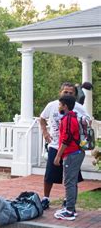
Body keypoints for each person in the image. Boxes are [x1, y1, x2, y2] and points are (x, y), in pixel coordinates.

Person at [40, 82, 90, 210]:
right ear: (60, 92)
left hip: (72, 149)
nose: (68, 94)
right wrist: (45, 132)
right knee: (50, 174)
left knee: (71, 177)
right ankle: (46, 198)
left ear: (74, 94)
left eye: (71, 92)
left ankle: (68, 201)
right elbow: (42, 118)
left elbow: (88, 121)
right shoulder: (52, 105)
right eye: (65, 92)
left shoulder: (77, 108)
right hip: (55, 145)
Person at [53, 95, 85, 221]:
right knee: (72, 181)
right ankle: (71, 208)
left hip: (71, 154)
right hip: (76, 153)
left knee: (68, 182)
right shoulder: (73, 117)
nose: (59, 107)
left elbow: (66, 139)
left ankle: (69, 211)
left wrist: (58, 156)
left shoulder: (68, 119)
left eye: (60, 104)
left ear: (65, 106)